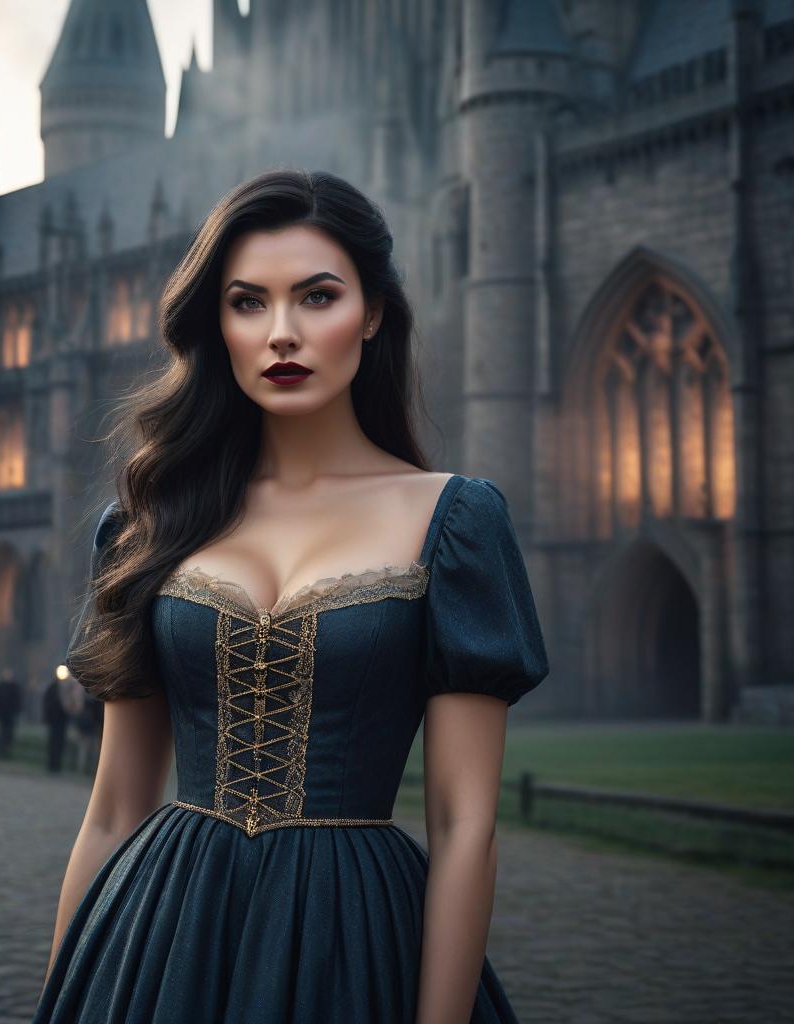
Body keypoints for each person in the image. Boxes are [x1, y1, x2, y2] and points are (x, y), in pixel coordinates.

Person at [32, 170, 549, 1024]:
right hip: (159, 942)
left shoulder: (455, 522)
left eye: (316, 297)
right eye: (247, 303)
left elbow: (466, 826)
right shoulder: (146, 525)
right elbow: (116, 808)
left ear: (373, 313)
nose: (282, 334)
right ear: (218, 325)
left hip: (352, 941)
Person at [42, 673, 74, 773]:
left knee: (60, 743)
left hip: (62, 721)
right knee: (52, 743)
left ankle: (57, 766)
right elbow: (47, 702)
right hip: (54, 720)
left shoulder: (68, 688)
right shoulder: (53, 687)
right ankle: (51, 765)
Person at [0, 666, 22, 760]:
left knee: (9, 735)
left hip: (10, 715)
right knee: (1, 735)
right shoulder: (0, 686)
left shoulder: (14, 687)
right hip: (2, 715)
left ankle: (7, 753)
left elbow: (17, 700)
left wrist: (16, 711)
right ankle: (1, 753)